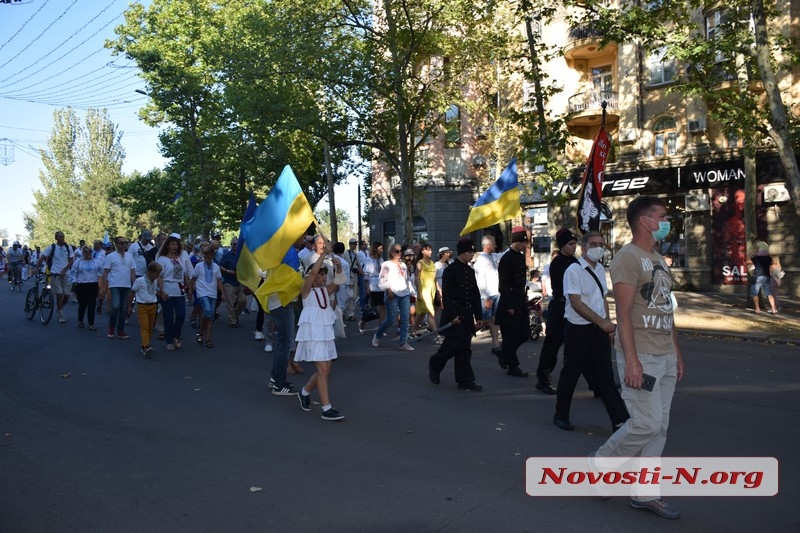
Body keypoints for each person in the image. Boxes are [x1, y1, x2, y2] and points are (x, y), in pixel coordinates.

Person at [591, 196, 684, 520]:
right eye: (662, 215)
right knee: (647, 423)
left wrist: (677, 352)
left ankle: (645, 493)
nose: (666, 220)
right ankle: (601, 464)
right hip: (642, 354)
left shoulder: (657, 257)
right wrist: (631, 361)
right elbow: (625, 314)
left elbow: (665, 310)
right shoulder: (628, 258)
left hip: (665, 355)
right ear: (645, 220)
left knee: (659, 429)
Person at [553, 231, 628, 432]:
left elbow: (602, 299)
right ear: (584, 248)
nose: (598, 247)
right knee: (571, 374)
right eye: (594, 244)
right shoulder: (573, 270)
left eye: (601, 244)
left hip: (599, 331)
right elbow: (576, 303)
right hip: (578, 330)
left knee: (606, 377)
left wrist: (608, 324)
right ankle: (561, 415)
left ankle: (620, 421)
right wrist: (601, 322)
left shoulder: (600, 270)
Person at [428, 238, 485, 391]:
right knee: (452, 345)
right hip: (454, 315)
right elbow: (446, 295)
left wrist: (479, 316)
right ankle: (435, 363)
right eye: (469, 252)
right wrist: (453, 315)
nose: (471, 255)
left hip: (466, 314)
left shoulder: (470, 271)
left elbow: (474, 294)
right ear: (461, 253)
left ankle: (465, 379)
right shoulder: (450, 270)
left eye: (473, 252)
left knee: (465, 348)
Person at [296, 248, 345, 421]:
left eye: (325, 275)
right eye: (320, 275)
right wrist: (324, 253)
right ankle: (326, 408)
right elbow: (312, 273)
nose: (323, 277)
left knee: (326, 370)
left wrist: (338, 267)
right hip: (312, 333)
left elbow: (338, 281)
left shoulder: (325, 291)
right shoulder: (306, 291)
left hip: (325, 333)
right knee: (323, 370)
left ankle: (304, 392)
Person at [535, 228, 578, 394]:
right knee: (552, 344)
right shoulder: (558, 263)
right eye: (570, 244)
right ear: (562, 246)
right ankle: (543, 378)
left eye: (575, 244)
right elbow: (563, 288)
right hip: (560, 307)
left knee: (580, 346)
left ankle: (597, 384)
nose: (574, 247)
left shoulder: (575, 262)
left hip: (572, 307)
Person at [494, 226, 530, 378]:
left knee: (525, 332)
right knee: (511, 335)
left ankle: (504, 353)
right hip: (510, 299)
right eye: (523, 243)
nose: (524, 246)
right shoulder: (506, 259)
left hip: (521, 298)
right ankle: (513, 366)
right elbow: (503, 284)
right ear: (517, 242)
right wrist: (508, 305)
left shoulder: (521, 257)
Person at [372, 243, 414, 351]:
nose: (400, 253)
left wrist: (413, 293)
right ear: (391, 252)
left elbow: (407, 280)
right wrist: (388, 289)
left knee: (405, 319)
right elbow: (381, 281)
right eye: (397, 251)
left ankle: (403, 342)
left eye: (401, 251)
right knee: (391, 319)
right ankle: (378, 335)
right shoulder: (386, 264)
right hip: (392, 294)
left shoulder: (403, 265)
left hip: (404, 293)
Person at [156, 234, 193, 351]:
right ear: (167, 246)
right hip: (167, 289)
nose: (174, 246)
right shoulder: (162, 259)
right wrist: (162, 291)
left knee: (181, 314)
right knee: (168, 316)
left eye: (176, 244)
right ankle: (169, 340)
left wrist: (189, 287)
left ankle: (176, 335)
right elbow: (159, 277)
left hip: (179, 290)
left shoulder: (180, 258)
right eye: (172, 244)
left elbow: (185, 274)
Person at [190, 243, 225, 348]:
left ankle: (207, 338)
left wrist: (223, 293)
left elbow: (219, 281)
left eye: (209, 257)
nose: (207, 259)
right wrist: (190, 291)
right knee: (208, 311)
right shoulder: (199, 266)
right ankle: (201, 332)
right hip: (202, 292)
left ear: (212, 256)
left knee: (210, 316)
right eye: (205, 257)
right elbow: (193, 279)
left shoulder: (216, 267)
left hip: (213, 293)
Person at [36, 231, 75, 324]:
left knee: (67, 295)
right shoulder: (52, 247)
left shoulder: (68, 247)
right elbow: (42, 257)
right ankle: (61, 313)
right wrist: (37, 267)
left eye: (63, 236)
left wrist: (64, 270)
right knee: (59, 294)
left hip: (66, 274)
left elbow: (71, 261)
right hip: (55, 273)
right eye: (60, 237)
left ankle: (59, 308)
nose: (62, 238)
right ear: (56, 238)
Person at [102, 236, 136, 339]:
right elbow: (106, 272)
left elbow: (133, 271)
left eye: (126, 242)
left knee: (123, 308)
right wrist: (103, 287)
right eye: (121, 243)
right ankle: (111, 327)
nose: (124, 245)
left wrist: (134, 285)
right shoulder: (110, 257)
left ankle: (120, 330)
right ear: (116, 244)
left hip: (126, 285)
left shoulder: (130, 256)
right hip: (115, 284)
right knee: (115, 306)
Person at [473, 235, 502, 354]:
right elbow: (480, 280)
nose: (496, 246)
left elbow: (503, 254)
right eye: (494, 244)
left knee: (495, 320)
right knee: (483, 322)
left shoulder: (493, 256)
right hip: (487, 296)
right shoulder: (481, 260)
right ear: (488, 246)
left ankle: (495, 344)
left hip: (496, 293)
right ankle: (465, 338)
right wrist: (486, 297)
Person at [128, 261, 162, 358]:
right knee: (145, 326)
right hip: (142, 306)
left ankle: (146, 344)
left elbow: (154, 291)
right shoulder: (140, 281)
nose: (157, 276)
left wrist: (162, 295)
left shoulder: (154, 281)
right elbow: (131, 293)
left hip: (153, 306)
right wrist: (130, 306)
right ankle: (146, 345)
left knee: (150, 327)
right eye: (157, 274)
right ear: (150, 272)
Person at [69, 245, 103, 330]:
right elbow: (72, 272)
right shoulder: (78, 261)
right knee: (83, 304)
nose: (88, 253)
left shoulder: (96, 261)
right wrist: (75, 281)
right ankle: (80, 320)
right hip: (81, 285)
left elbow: (101, 271)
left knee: (92, 304)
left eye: (90, 251)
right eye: (86, 252)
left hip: (93, 285)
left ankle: (91, 323)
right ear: (83, 253)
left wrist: (99, 278)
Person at [218, 237, 248, 327]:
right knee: (230, 303)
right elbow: (220, 266)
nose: (236, 245)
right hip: (229, 282)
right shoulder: (226, 255)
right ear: (231, 245)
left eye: (238, 244)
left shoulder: (243, 255)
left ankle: (233, 315)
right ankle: (232, 321)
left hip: (240, 282)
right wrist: (228, 271)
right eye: (234, 244)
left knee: (243, 301)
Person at [413, 243, 438, 336]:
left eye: (431, 250)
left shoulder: (432, 263)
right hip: (424, 291)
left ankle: (412, 331)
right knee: (431, 313)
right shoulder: (420, 263)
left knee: (421, 314)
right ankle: (437, 336)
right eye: (428, 250)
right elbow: (416, 278)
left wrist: (439, 291)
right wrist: (419, 293)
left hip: (432, 291)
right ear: (423, 251)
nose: (430, 251)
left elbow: (434, 279)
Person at [748, 240, 778, 314]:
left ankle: (757, 309)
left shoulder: (756, 258)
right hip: (767, 277)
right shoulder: (768, 258)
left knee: (755, 293)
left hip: (757, 277)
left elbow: (747, 262)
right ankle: (774, 309)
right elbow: (773, 263)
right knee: (769, 293)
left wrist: (752, 254)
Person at [360, 241, 385, 331]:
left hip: (381, 285)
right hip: (373, 285)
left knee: (383, 307)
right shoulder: (369, 259)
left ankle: (381, 328)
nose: (382, 251)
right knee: (376, 308)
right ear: (375, 249)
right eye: (380, 249)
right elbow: (366, 274)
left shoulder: (381, 260)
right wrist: (367, 287)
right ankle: (364, 320)